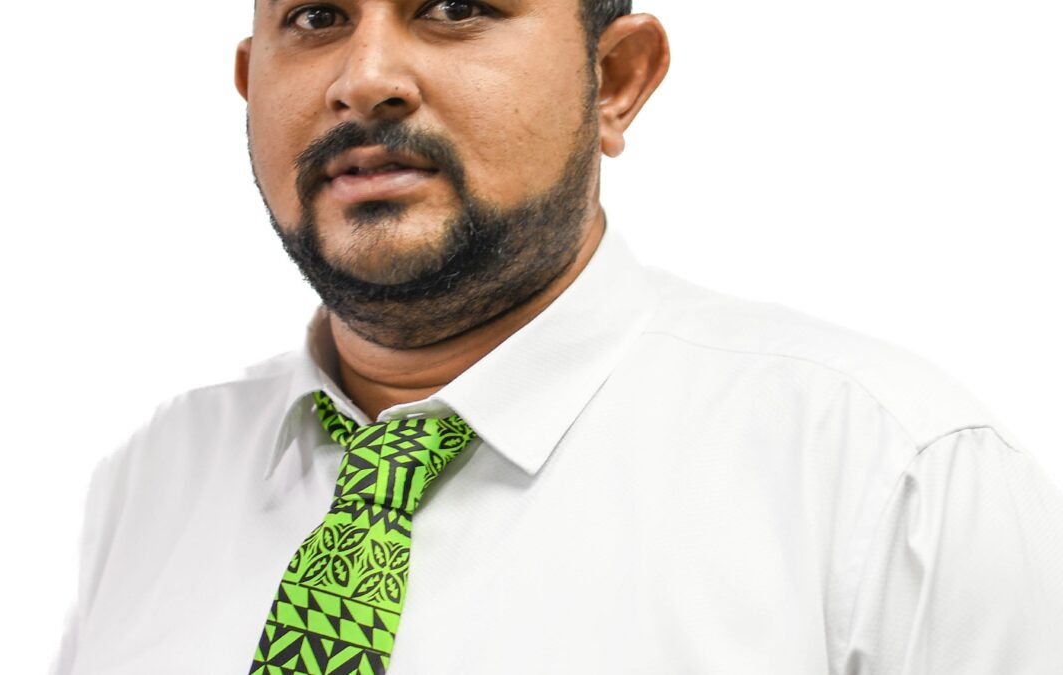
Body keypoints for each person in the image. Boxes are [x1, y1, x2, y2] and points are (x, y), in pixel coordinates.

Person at [54, 0, 1063, 673]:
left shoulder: (890, 478)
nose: (364, 78)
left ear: (615, 78)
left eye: (455, 7)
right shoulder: (154, 481)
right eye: (316, 17)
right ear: (250, 81)